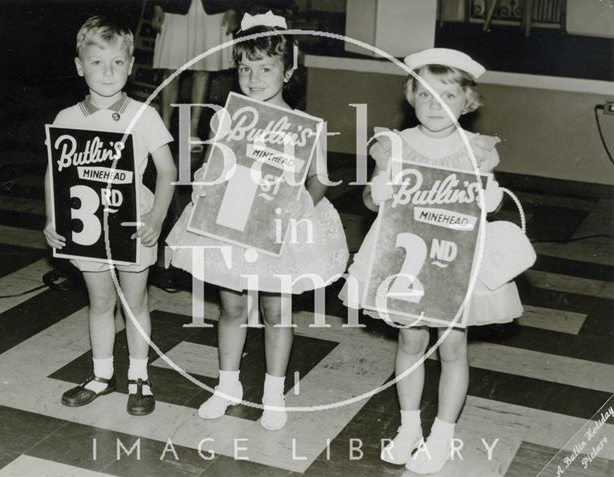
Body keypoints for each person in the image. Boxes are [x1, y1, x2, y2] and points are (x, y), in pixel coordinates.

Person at [340, 48, 523, 473]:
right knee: (410, 341)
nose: (435, 105)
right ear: (410, 97)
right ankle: (409, 428)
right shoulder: (393, 145)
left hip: (455, 262)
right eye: (425, 94)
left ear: (467, 101)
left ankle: (443, 434)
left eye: (448, 95)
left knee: (453, 345)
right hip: (404, 261)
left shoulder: (477, 150)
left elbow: (482, 207)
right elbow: (370, 201)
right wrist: (377, 191)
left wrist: (489, 200)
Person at [165, 11, 349, 430]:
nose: (253, 77)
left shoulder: (306, 128)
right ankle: (227, 384)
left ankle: (272, 392)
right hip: (232, 221)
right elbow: (216, 166)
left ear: (288, 73)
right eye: (245, 68)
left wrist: (301, 208)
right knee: (231, 306)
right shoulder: (227, 117)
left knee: (276, 308)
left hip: (280, 226)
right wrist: (203, 182)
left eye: (265, 68)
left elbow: (320, 178)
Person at [43, 16, 177, 416]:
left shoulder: (144, 115)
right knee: (100, 302)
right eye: (97, 61)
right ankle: (102, 375)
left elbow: (168, 171)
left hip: (132, 224)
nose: (107, 71)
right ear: (79, 65)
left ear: (131, 65)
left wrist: (156, 217)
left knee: (134, 303)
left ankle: (139, 376)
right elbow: (56, 172)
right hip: (86, 227)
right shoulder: (67, 118)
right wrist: (53, 218)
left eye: (117, 62)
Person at [152, 0, 238, 144]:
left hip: (213, 11)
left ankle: (193, 128)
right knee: (170, 68)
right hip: (175, 9)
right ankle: (164, 127)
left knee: (203, 69)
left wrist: (233, 8)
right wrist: (156, 5)